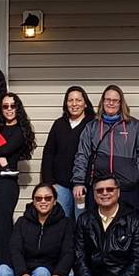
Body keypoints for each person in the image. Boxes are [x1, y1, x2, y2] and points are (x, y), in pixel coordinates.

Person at [0, 184, 73, 276]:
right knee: (2, 270)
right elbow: (15, 249)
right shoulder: (22, 222)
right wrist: (22, 273)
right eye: (38, 198)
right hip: (24, 272)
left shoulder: (65, 223)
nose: (43, 201)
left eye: (47, 198)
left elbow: (68, 252)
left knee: (42, 273)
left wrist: (58, 274)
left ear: (55, 200)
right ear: (33, 201)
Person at [72, 85, 139, 220]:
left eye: (115, 100)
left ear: (121, 103)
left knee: (129, 228)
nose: (111, 103)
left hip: (128, 189)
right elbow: (82, 155)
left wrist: (138, 175)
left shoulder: (135, 126)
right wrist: (78, 181)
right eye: (108, 99)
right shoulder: (92, 126)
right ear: (103, 102)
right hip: (100, 189)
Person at [0, 92, 35, 272]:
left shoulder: (20, 132)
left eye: (12, 106)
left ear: (18, 108)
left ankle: (6, 265)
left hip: (5, 184)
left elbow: (2, 149)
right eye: (5, 106)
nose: (8, 110)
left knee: (4, 225)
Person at [40, 86, 91, 223]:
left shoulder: (92, 124)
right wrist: (49, 182)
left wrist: (85, 182)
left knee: (82, 221)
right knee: (62, 222)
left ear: (85, 103)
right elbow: (49, 153)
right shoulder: (59, 124)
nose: (74, 104)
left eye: (78, 100)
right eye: (70, 100)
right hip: (60, 185)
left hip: (83, 186)